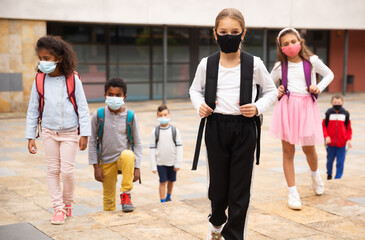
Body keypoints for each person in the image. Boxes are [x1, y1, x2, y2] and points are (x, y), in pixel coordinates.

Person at [189, 8, 277, 240]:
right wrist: (200, 104)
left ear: (243, 33)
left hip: (244, 129)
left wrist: (257, 107)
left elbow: (270, 91)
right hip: (216, 127)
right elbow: (194, 90)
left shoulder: (254, 64)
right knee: (218, 189)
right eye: (224, 31)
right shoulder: (207, 64)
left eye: (235, 32)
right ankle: (216, 221)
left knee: (239, 189)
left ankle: (234, 235)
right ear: (215, 34)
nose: (229, 36)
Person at [25, 36, 91, 225]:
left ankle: (68, 203)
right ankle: (58, 208)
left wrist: (84, 133)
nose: (43, 62)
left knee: (68, 172)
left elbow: (83, 107)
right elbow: (33, 109)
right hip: (48, 132)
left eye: (47, 58)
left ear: (59, 58)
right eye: (41, 58)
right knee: (52, 170)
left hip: (70, 132)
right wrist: (31, 136)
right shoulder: (39, 80)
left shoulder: (72, 78)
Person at [270, 28, 334, 210]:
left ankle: (315, 175)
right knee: (288, 151)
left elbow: (329, 74)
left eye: (293, 41)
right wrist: (277, 91)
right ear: (280, 47)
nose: (290, 46)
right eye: (285, 44)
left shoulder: (311, 61)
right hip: (287, 108)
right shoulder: (279, 67)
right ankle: (292, 192)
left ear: (300, 41)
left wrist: (318, 87)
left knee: (309, 149)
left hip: (307, 108)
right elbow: (266, 84)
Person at [88, 78, 142, 212]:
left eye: (118, 95)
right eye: (110, 95)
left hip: (122, 160)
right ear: (105, 96)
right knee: (108, 199)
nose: (114, 98)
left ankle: (125, 194)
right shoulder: (99, 115)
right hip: (105, 162)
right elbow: (93, 141)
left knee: (128, 154)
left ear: (124, 97)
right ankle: (109, 220)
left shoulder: (130, 116)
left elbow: (137, 143)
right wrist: (96, 166)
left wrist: (137, 168)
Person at [149, 104, 183, 203]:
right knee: (162, 181)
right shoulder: (155, 131)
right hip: (161, 163)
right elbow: (152, 149)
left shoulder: (174, 130)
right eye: (160, 115)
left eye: (165, 114)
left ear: (169, 115)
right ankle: (162, 201)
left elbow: (179, 147)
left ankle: (168, 197)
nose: (163, 117)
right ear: (157, 116)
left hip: (172, 162)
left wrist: (178, 163)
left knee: (171, 181)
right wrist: (153, 166)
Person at [322, 95, 352, 180]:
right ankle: (329, 174)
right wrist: (326, 136)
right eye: (335, 102)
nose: (337, 104)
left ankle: (338, 177)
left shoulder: (346, 114)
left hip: (342, 144)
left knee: (340, 162)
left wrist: (348, 139)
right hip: (330, 143)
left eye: (339, 103)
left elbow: (349, 129)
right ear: (332, 103)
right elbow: (323, 127)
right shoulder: (328, 114)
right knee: (329, 161)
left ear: (342, 103)